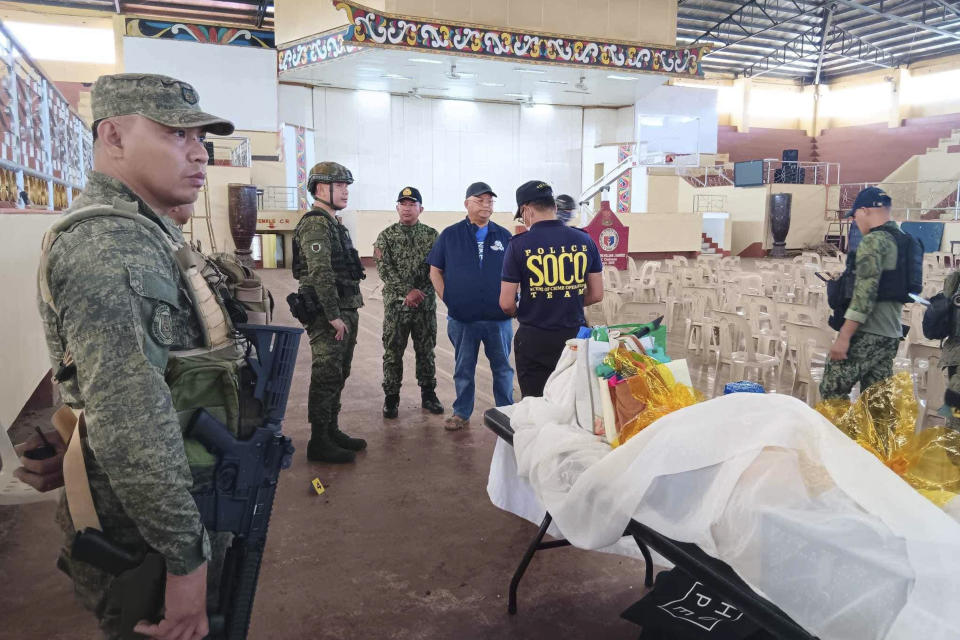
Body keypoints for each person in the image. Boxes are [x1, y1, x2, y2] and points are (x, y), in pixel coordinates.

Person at [25, 73, 235, 640]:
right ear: (114, 136)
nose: (199, 153)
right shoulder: (111, 246)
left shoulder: (146, 234)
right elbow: (131, 419)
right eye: (175, 134)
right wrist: (186, 559)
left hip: (154, 510)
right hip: (144, 537)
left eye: (201, 138)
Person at [291, 161, 367, 463]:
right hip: (328, 314)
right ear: (322, 188)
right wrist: (334, 315)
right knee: (325, 374)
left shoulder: (334, 222)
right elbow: (320, 272)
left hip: (345, 308)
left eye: (347, 185)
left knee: (338, 373)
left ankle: (331, 429)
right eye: (341, 185)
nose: (346, 191)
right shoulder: (316, 224)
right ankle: (319, 440)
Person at [500, 180, 604, 397]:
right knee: (573, 403)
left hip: (534, 338)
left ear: (526, 210)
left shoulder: (518, 245)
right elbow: (596, 294)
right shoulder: (584, 240)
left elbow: (506, 303)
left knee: (536, 405)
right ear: (555, 207)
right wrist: (564, 299)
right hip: (575, 337)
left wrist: (529, 307)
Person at [427, 181, 514, 430]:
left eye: (490, 201)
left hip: (498, 319)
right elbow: (435, 271)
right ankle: (461, 412)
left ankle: (505, 411)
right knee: (463, 368)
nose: (486, 205)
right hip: (463, 319)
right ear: (467, 203)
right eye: (480, 200)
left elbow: (517, 274)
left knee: (503, 368)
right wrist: (449, 299)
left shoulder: (504, 236)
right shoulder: (451, 235)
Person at [821, 187, 903, 401]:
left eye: (855, 215)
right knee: (878, 402)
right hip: (891, 332)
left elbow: (864, 295)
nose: (855, 221)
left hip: (867, 331)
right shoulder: (902, 239)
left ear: (865, 210)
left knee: (832, 391)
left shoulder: (874, 241)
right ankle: (876, 436)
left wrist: (844, 337)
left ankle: (835, 436)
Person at [374, 186, 444, 418]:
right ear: (397, 208)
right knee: (393, 353)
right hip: (396, 307)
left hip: (424, 306)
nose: (407, 208)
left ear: (420, 209)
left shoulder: (433, 236)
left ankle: (429, 395)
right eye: (403, 204)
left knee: (426, 351)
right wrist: (407, 292)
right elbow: (385, 270)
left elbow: (437, 269)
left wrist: (419, 293)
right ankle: (391, 398)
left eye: (411, 204)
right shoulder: (385, 236)